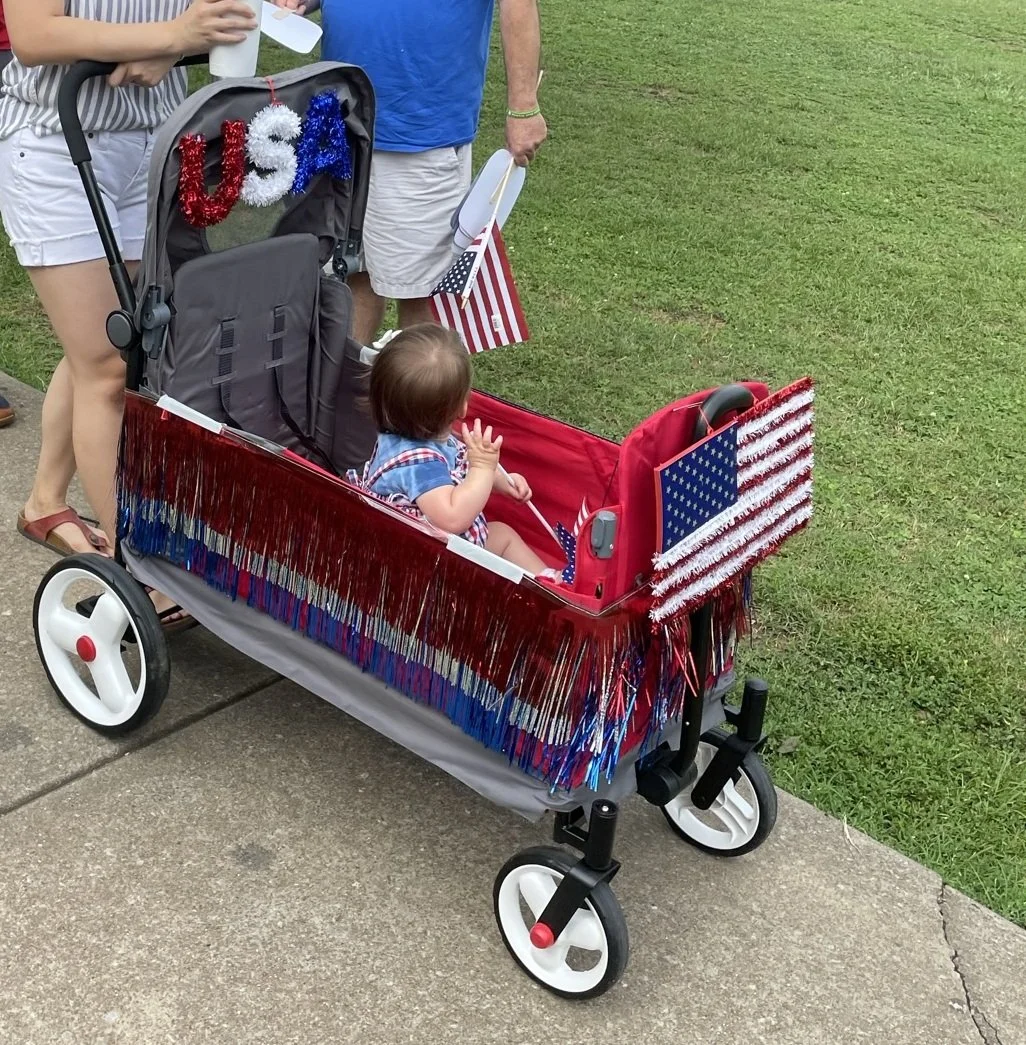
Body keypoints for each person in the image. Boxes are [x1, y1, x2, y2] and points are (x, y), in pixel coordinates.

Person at [0, 0, 257, 622]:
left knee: (102, 342)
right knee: (111, 366)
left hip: (156, 139)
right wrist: (171, 34)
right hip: (56, 141)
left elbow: (216, 14)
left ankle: (43, 503)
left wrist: (171, 46)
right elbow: (34, 36)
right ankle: (139, 562)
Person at [273, 0, 547, 346]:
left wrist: (523, 107)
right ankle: (346, 394)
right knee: (351, 274)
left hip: (420, 131)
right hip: (339, 117)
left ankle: (417, 399)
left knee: (422, 292)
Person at [358, 325, 557, 578]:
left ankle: (548, 580)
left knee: (503, 535)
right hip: (422, 563)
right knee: (503, 539)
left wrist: (501, 482)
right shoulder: (420, 466)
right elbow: (452, 518)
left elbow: (461, 469)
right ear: (462, 408)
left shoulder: (418, 434)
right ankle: (548, 590)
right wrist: (483, 468)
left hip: (438, 547)